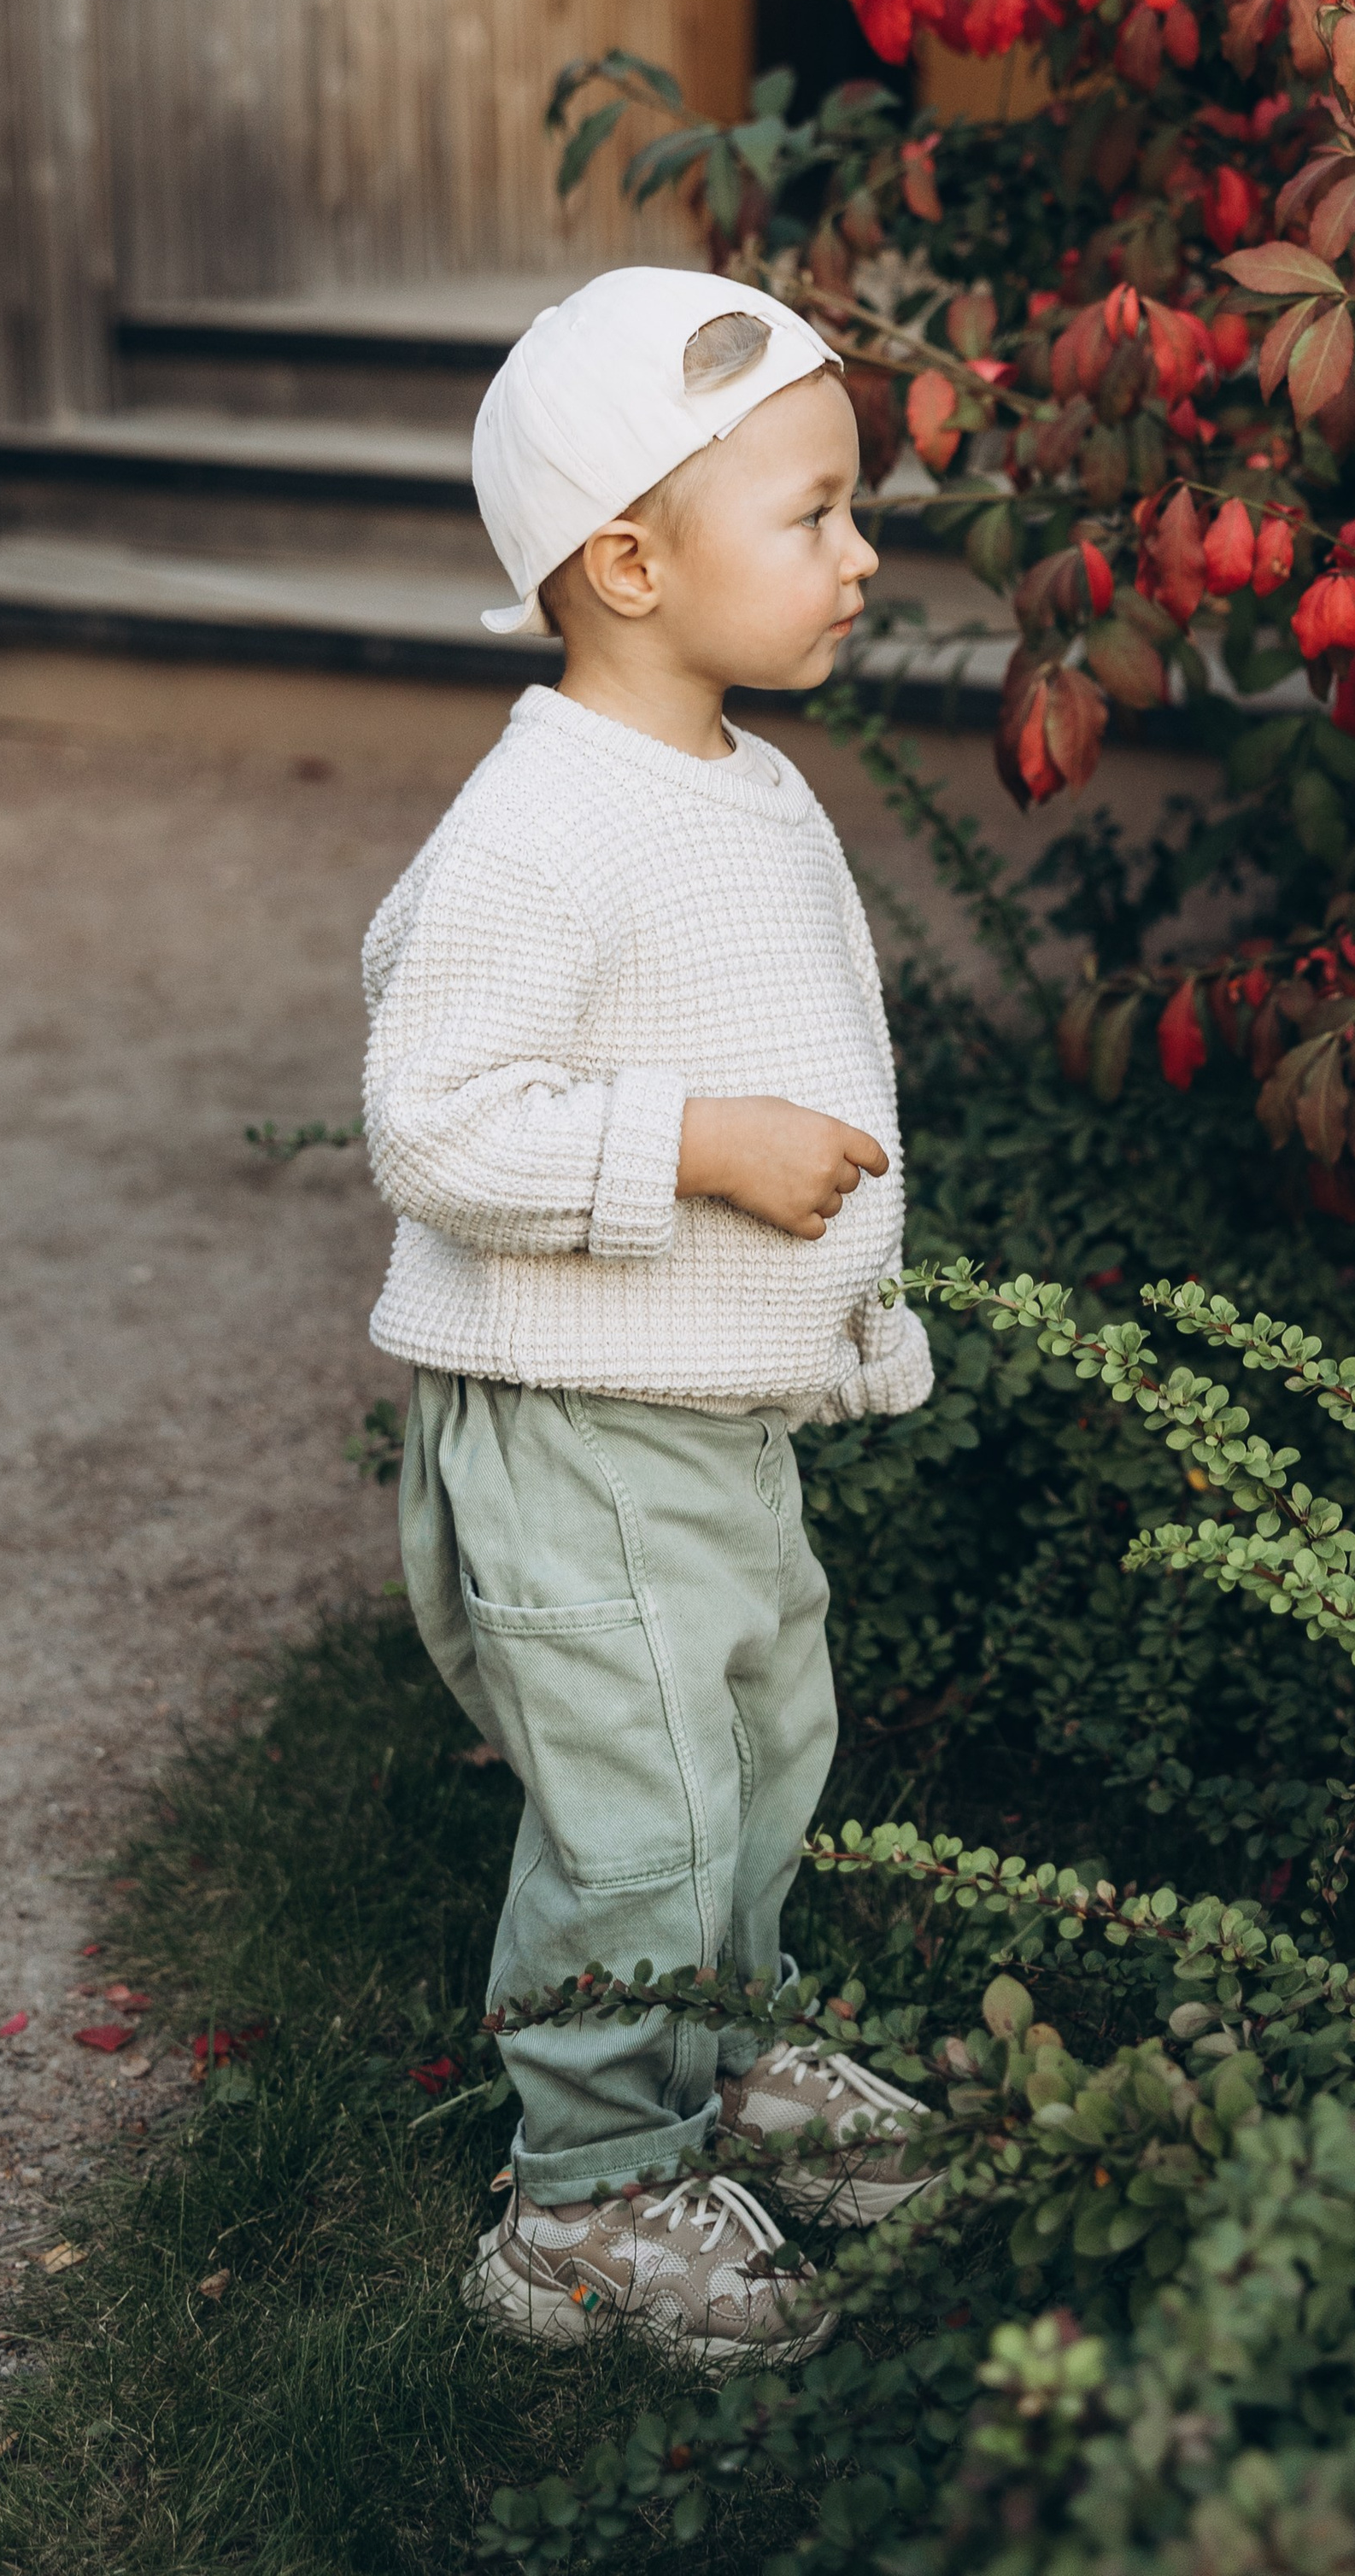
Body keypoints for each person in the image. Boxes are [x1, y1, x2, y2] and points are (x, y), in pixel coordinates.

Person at [361, 269, 937, 2363]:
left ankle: (723, 2053)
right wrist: (691, 1143)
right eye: (813, 512)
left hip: (705, 1421)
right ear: (626, 559)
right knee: (640, 1814)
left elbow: (791, 1046)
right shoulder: (540, 824)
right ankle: (584, 2202)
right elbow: (436, 1124)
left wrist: (831, 1328)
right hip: (577, 1430)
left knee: (762, 1750)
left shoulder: (729, 777)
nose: (862, 552)